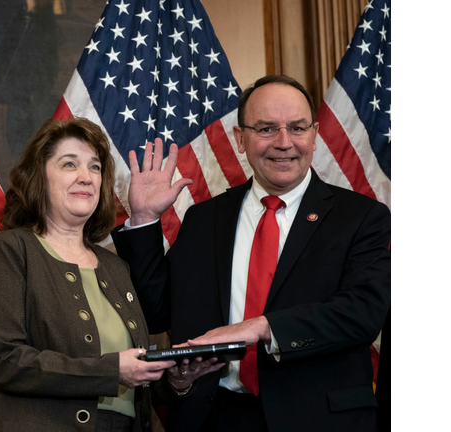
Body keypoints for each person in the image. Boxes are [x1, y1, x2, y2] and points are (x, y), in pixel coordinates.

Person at [112, 75, 390, 432]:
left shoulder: (361, 217)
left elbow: (362, 315)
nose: (284, 142)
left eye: (297, 127)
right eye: (266, 128)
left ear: (315, 134)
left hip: (318, 419)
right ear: (240, 139)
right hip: (215, 418)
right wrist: (145, 220)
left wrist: (260, 328)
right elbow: (154, 313)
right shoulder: (205, 218)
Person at [0, 118, 177, 431]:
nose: (86, 177)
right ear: (38, 177)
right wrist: (112, 371)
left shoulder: (116, 267)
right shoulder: (11, 250)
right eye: (70, 165)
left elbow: (137, 384)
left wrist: (177, 377)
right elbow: (7, 361)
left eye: (94, 167)